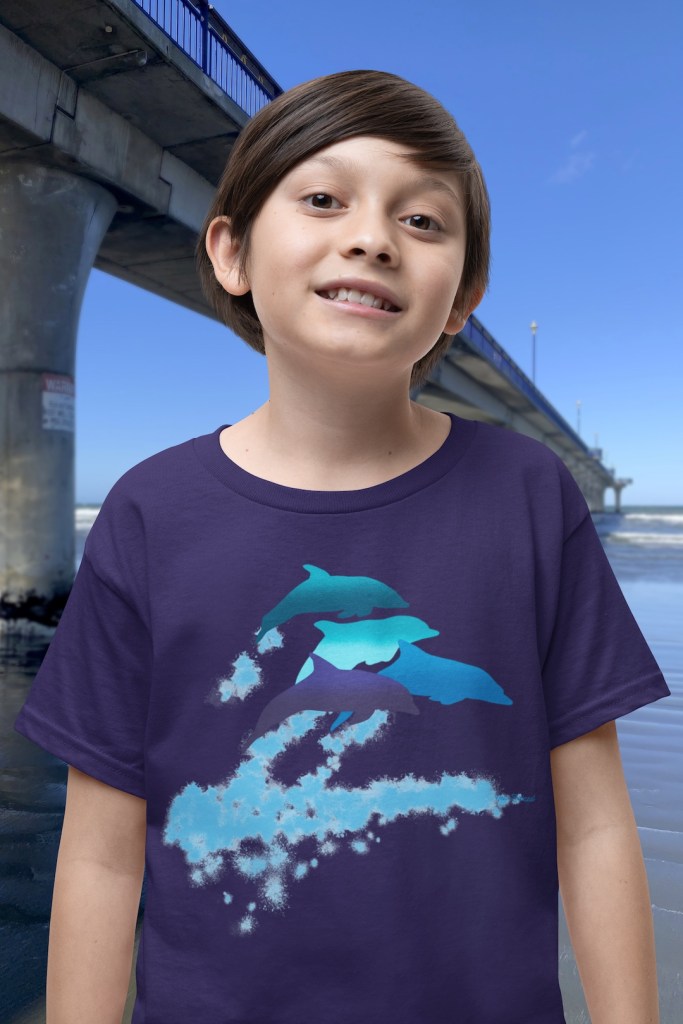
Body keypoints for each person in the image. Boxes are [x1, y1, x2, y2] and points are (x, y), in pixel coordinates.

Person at [14, 69, 670, 1024]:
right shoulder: (152, 510)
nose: (370, 237)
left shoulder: (529, 494)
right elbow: (104, 853)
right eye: (322, 199)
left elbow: (597, 824)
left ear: (461, 299)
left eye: (422, 221)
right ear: (231, 251)